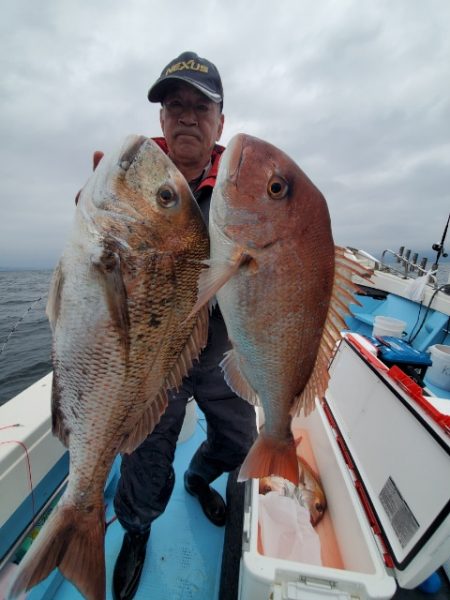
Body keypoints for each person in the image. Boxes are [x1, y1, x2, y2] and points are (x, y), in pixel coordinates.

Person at [111, 51, 258, 600]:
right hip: (159, 341)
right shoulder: (134, 174)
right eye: (176, 105)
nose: (188, 116)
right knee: (147, 444)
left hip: (223, 339)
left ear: (221, 120)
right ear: (162, 120)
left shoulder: (244, 184)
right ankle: (136, 529)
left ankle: (199, 476)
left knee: (242, 436)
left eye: (202, 105)